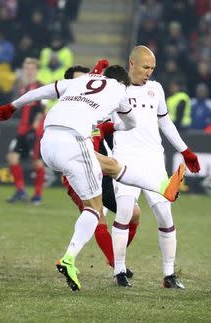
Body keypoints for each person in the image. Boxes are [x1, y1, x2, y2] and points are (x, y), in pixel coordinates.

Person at [0, 65, 185, 291]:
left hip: (48, 143)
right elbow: (131, 123)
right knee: (97, 205)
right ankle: (161, 187)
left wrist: (10, 107)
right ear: (123, 83)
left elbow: (40, 92)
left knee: (106, 174)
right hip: (73, 140)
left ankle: (75, 259)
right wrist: (116, 124)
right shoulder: (119, 90)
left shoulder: (79, 82)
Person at [109, 45, 200, 288]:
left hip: (153, 159)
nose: (149, 72)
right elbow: (109, 123)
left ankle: (169, 275)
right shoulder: (116, 89)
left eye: (152, 68)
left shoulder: (156, 89)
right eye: (145, 67)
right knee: (125, 212)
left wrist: (185, 150)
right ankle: (119, 271)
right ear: (131, 64)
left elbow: (165, 122)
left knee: (164, 214)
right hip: (126, 158)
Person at [61, 63, 140, 278]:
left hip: (99, 173)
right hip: (77, 172)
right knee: (97, 217)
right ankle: (117, 266)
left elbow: (110, 123)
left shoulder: (93, 113)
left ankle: (113, 256)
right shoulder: (63, 115)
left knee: (133, 214)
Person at [5, 58, 46, 205]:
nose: (29, 71)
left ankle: (37, 195)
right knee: (12, 158)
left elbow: (42, 108)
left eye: (31, 68)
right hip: (21, 131)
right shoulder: (23, 88)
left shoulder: (40, 87)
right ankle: (21, 191)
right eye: (26, 68)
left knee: (37, 163)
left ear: (36, 70)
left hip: (33, 131)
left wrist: (35, 126)